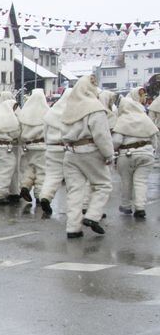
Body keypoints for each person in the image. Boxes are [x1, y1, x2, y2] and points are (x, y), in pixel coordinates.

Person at [60, 75, 112, 239]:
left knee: (75, 191)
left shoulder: (69, 106)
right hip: (90, 150)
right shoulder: (94, 107)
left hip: (70, 152)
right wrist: (109, 154)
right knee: (103, 185)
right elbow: (102, 134)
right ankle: (92, 216)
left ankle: (73, 227)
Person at [112, 92, 159, 219]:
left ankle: (126, 206)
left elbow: (116, 140)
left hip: (127, 154)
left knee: (126, 182)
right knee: (141, 181)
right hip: (146, 153)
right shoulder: (145, 119)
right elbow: (155, 139)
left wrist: (112, 151)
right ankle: (140, 207)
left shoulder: (122, 120)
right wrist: (152, 150)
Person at [38, 88, 71, 216]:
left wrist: (49, 143)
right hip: (68, 147)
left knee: (52, 175)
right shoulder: (74, 112)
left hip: (52, 147)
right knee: (74, 178)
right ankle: (80, 204)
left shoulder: (52, 112)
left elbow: (45, 131)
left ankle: (45, 196)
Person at [17, 90, 50, 204]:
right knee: (42, 171)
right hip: (42, 146)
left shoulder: (24, 113)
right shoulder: (46, 112)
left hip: (29, 146)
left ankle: (25, 186)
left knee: (31, 168)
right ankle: (39, 195)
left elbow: (19, 131)